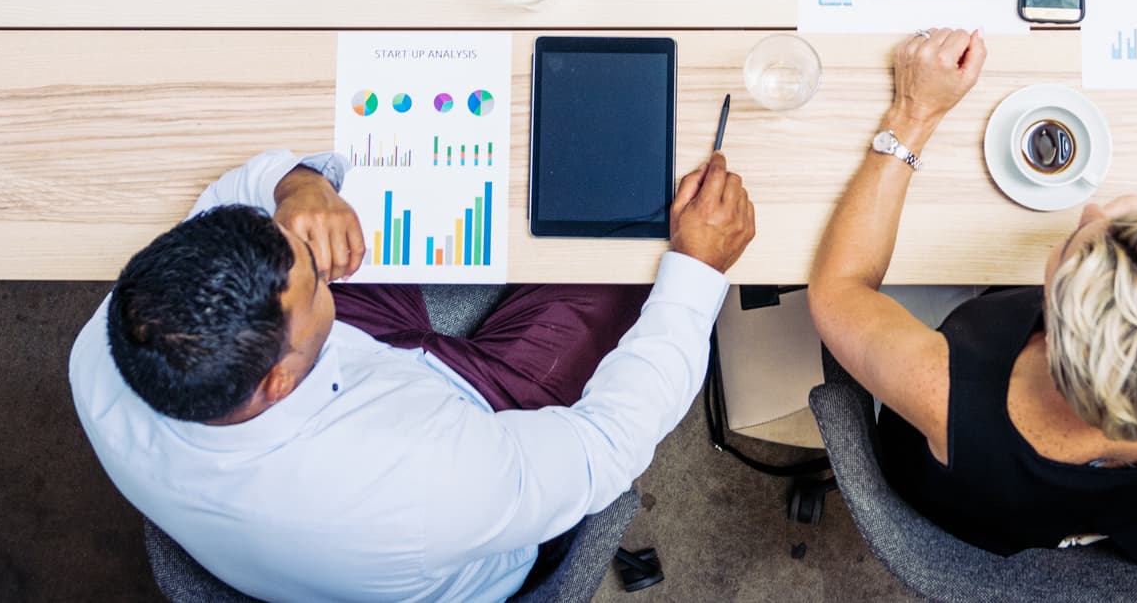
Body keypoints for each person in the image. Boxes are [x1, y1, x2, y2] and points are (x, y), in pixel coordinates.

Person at [70, 146, 754, 602]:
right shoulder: (422, 486)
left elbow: (225, 204)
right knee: (625, 250)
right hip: (461, 458)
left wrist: (296, 186)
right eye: (315, 282)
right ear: (276, 380)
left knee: (387, 185)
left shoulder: (116, 338)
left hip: (365, 384)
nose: (317, 257)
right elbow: (605, 445)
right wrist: (698, 270)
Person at [806, 29, 1137, 561]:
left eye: (1074, 248)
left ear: (1051, 334)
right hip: (1119, 509)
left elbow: (838, 290)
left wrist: (913, 114)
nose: (1096, 208)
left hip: (960, 496)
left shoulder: (945, 393)